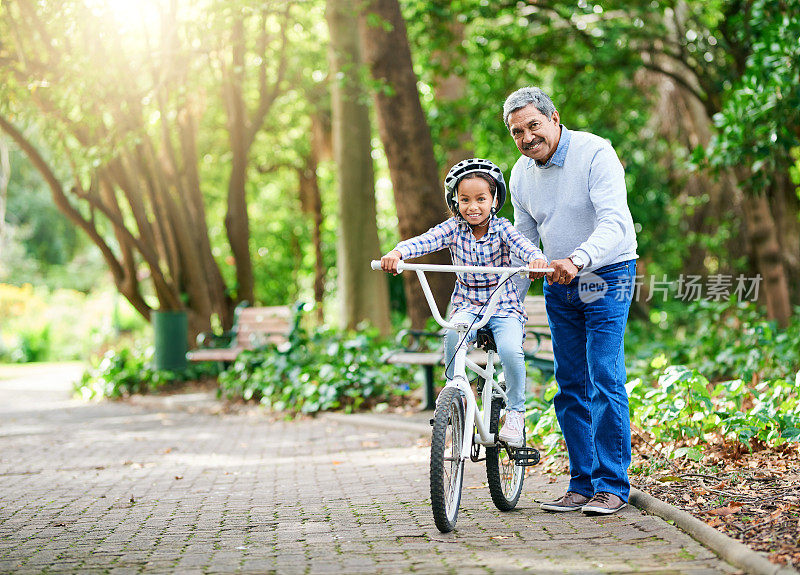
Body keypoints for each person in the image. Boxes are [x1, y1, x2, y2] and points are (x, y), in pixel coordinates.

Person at [502, 87, 638, 515]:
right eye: (517, 132)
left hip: (606, 272)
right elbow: (523, 240)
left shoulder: (595, 153)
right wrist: (510, 299)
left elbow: (615, 221)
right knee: (570, 384)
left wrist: (578, 259)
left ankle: (613, 486)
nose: (527, 138)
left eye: (533, 125)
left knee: (604, 376)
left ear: (554, 117)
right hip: (559, 281)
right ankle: (582, 482)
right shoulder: (521, 173)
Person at [380, 158, 545, 446]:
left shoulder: (503, 229)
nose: (473, 206)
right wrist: (398, 252)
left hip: (503, 305)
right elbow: (424, 241)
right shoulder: (452, 228)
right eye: (465, 199)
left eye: (481, 198)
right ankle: (456, 397)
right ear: (455, 201)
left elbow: (524, 245)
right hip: (467, 305)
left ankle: (516, 412)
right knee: (452, 338)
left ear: (494, 201)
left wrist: (536, 259)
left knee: (510, 351)